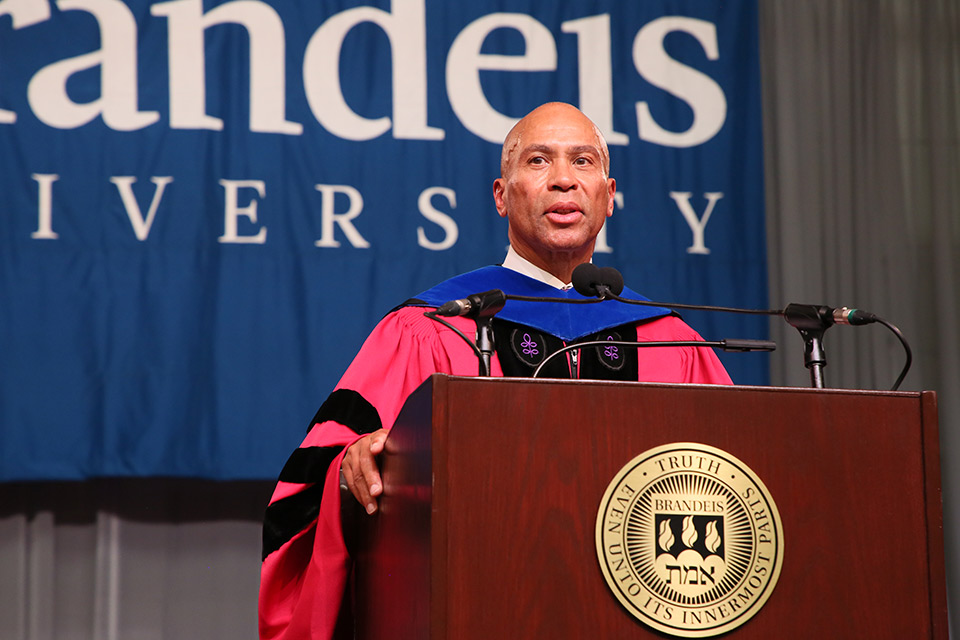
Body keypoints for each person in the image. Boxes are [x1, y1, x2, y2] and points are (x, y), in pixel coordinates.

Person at [258, 102, 732, 640]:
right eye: (537, 161)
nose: (562, 181)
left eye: (582, 162)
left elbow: (738, 484)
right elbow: (306, 491)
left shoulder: (668, 339)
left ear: (609, 195)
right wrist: (353, 466)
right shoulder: (432, 326)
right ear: (502, 197)